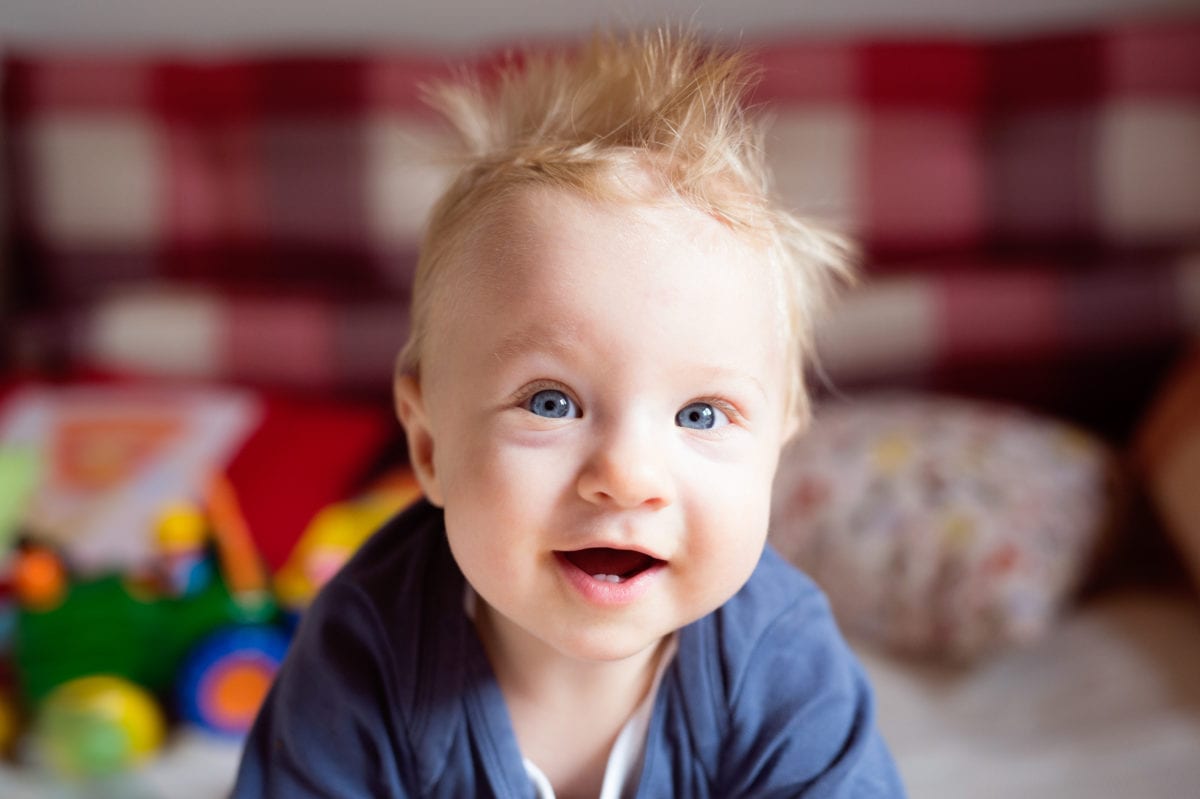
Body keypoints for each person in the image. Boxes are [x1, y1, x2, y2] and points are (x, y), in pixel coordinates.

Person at [233, 27, 905, 798]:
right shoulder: (367, 650)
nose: (627, 477)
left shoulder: (781, 658)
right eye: (551, 403)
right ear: (428, 447)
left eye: (702, 414)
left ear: (776, 452)